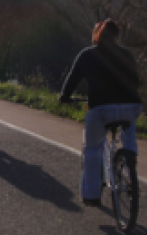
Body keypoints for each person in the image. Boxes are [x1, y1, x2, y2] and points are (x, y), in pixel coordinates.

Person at [59, 19, 142, 206]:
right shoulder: (126, 54)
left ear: (97, 35)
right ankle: (130, 163)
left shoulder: (88, 54)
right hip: (132, 106)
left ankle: (91, 195)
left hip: (102, 109)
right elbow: (136, 81)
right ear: (116, 36)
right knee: (128, 133)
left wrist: (65, 96)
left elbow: (73, 78)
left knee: (92, 149)